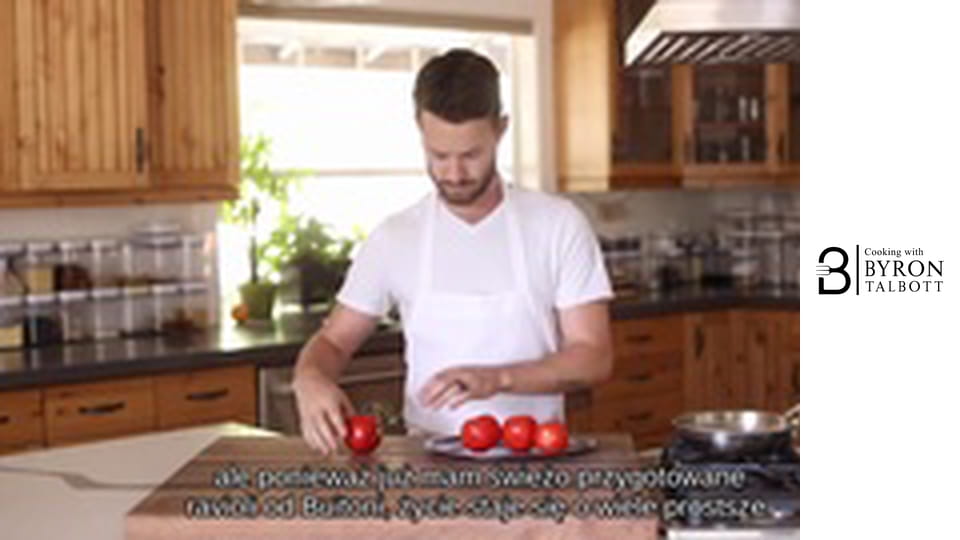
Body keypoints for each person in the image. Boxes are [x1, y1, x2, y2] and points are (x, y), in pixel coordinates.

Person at [292, 48, 613, 454]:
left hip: (536, 458)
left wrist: (497, 379)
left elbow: (593, 356)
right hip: (427, 465)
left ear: (501, 130)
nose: (455, 174)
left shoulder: (558, 225)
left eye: (471, 155)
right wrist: (309, 378)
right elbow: (334, 343)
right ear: (419, 131)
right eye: (439, 156)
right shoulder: (395, 237)